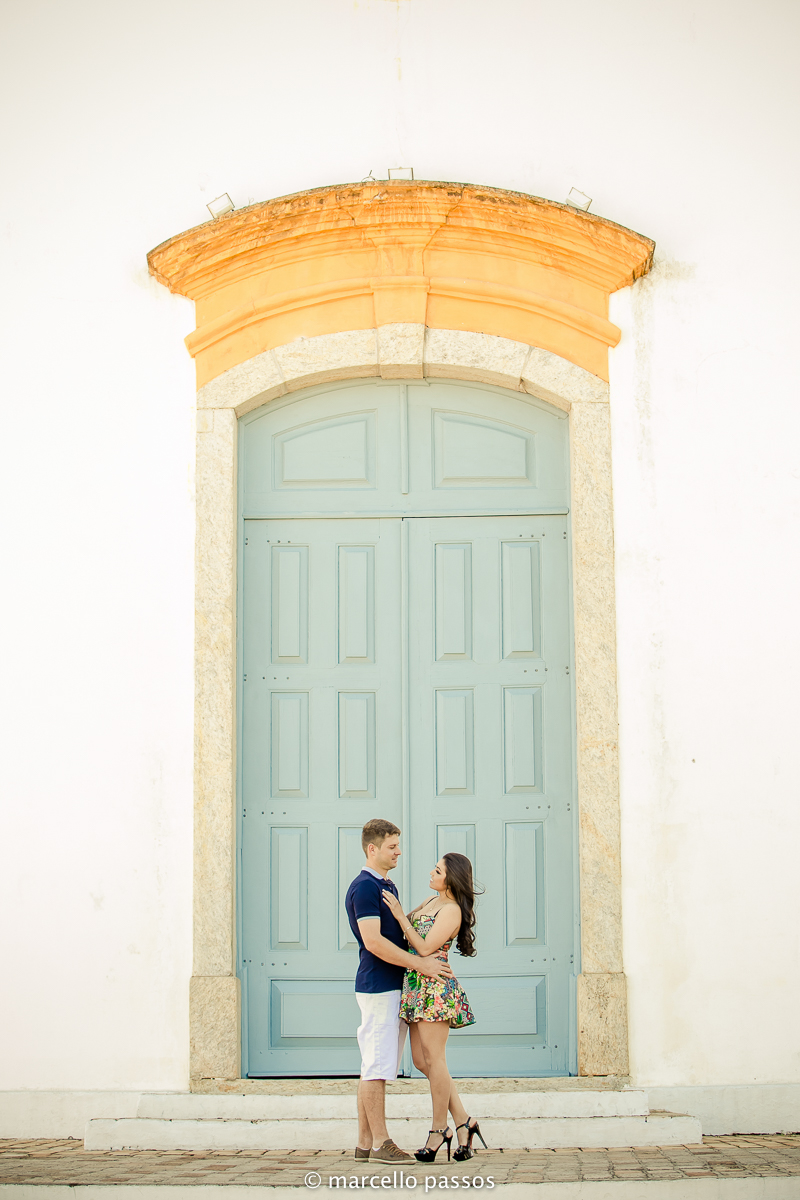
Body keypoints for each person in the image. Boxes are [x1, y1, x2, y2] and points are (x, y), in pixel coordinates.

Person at [345, 819, 454, 1164]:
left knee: (373, 1065)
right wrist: (421, 964)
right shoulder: (365, 887)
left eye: (398, 845)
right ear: (372, 849)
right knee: (376, 1068)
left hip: (394, 986)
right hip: (379, 987)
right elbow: (373, 942)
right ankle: (381, 1143)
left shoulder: (385, 884)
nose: (398, 852)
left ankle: (365, 1144)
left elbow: (394, 933)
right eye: (392, 847)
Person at [381, 852, 488, 1163]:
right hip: (417, 985)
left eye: (438, 870)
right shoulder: (431, 901)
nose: (431, 872)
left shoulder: (451, 910)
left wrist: (400, 915)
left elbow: (426, 947)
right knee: (422, 1061)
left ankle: (439, 1129)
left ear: (451, 879)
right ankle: (465, 1121)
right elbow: (405, 935)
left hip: (435, 989)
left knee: (435, 1059)